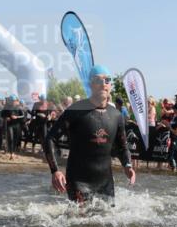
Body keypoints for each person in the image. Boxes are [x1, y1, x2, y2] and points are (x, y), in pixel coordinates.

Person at [43, 65, 135, 204]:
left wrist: (127, 165)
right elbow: (50, 138)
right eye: (98, 80)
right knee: (80, 223)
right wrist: (55, 170)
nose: (103, 84)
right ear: (90, 84)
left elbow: (122, 146)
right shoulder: (76, 110)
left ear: (110, 85)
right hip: (79, 181)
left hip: (105, 182)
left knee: (108, 222)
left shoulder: (116, 115)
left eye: (107, 80)